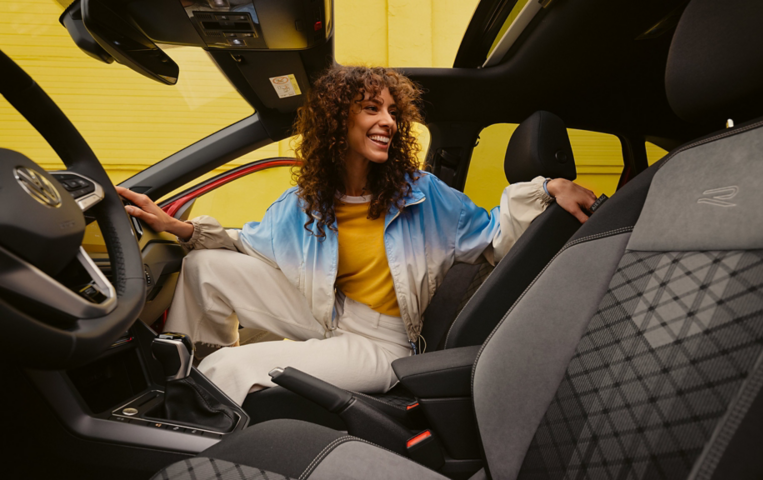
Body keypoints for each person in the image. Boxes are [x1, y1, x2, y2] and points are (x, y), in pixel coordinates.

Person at [116, 66, 596, 405]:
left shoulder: (424, 194)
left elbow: (495, 237)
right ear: (336, 122)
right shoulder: (306, 203)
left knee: (231, 370)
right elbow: (249, 243)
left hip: (382, 342)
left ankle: (199, 411)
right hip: (327, 310)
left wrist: (543, 188)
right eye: (371, 109)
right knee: (204, 266)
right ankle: (189, 374)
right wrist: (180, 229)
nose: (388, 121)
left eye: (392, 112)